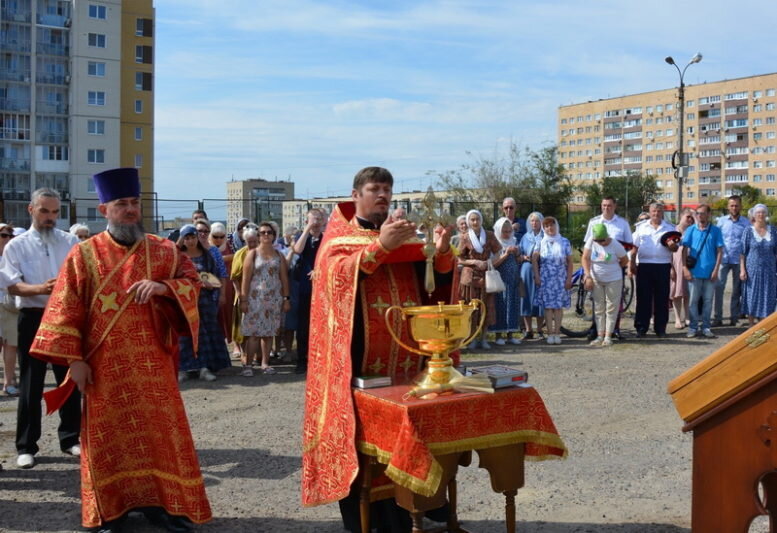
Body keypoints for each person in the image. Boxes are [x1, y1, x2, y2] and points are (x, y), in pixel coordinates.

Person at [29, 168, 211, 532]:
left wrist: (164, 289)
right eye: (121, 204)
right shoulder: (84, 255)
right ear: (103, 210)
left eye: (134, 202)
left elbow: (196, 282)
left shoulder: (163, 250)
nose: (130, 210)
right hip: (105, 368)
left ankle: (165, 504)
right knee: (108, 440)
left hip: (153, 367)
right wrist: (74, 361)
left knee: (161, 436)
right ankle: (111, 511)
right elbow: (65, 309)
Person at [301, 166, 455, 530]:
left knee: (405, 443)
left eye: (388, 189)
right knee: (366, 452)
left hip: (404, 365)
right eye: (375, 189)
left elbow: (432, 286)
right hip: (359, 370)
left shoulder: (406, 236)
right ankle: (366, 522)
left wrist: (442, 253)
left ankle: (412, 511)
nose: (383, 195)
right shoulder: (337, 238)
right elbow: (334, 279)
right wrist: (380, 247)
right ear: (356, 195)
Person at [0, 189, 80, 469]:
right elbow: (11, 284)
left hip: (65, 317)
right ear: (30, 210)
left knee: (67, 379)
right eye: (45, 211)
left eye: (56, 212)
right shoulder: (16, 246)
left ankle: (70, 438)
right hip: (33, 316)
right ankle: (26, 445)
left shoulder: (70, 242)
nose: (50, 218)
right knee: (31, 383)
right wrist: (41, 288)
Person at [177, 224, 231, 382]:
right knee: (186, 335)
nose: (191, 241)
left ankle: (205, 368)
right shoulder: (179, 257)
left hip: (205, 301)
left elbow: (215, 277)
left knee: (205, 334)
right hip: (185, 302)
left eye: (193, 237)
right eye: (187, 238)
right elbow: (173, 276)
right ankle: (183, 369)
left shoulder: (207, 255)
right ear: (183, 240)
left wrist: (211, 286)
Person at [239, 222, 291, 375]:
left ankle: (265, 364)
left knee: (268, 334)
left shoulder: (279, 255)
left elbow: (284, 278)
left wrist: (286, 298)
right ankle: (248, 365)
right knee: (253, 334)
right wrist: (243, 300)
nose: (266, 235)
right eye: (262, 232)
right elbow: (245, 279)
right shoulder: (252, 254)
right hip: (255, 300)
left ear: (274, 235)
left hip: (274, 300)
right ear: (258, 236)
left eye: (269, 232)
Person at [629, 202, 676, 338]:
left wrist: (672, 245)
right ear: (649, 212)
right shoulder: (641, 227)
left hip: (663, 265)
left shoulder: (669, 228)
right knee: (643, 298)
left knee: (662, 298)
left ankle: (660, 329)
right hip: (644, 265)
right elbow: (634, 248)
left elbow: (676, 249)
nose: (656, 214)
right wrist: (632, 264)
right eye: (654, 211)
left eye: (659, 211)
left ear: (663, 212)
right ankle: (641, 328)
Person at [457, 209, 501, 349]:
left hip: (486, 275)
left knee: (486, 307)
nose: (475, 222)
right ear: (469, 221)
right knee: (471, 308)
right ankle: (471, 338)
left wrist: (489, 262)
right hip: (470, 277)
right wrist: (474, 262)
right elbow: (459, 258)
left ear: (481, 220)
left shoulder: (489, 235)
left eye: (477, 219)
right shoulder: (464, 237)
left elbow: (498, 252)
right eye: (472, 219)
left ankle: (484, 338)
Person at [682, 204, 724, 338]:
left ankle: (706, 326)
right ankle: (693, 327)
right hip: (694, 272)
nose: (700, 216)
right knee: (693, 301)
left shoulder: (715, 231)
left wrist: (716, 269)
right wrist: (684, 268)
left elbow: (719, 251)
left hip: (710, 273)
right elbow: (684, 250)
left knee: (707, 301)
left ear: (709, 214)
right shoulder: (690, 230)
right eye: (698, 213)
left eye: (703, 213)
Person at [583, 223, 628, 347]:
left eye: (602, 240)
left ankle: (608, 336)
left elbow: (624, 260)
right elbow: (585, 258)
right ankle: (599, 335)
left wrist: (613, 269)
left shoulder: (615, 245)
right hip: (596, 279)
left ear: (607, 237)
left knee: (611, 308)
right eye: (597, 241)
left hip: (614, 279)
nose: (600, 243)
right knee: (598, 308)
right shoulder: (592, 242)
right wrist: (588, 276)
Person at [291, 208, 324, 373]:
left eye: (319, 219)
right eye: (313, 219)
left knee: (322, 325)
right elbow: (297, 250)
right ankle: (301, 360)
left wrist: (320, 269)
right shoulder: (302, 237)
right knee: (303, 325)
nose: (316, 223)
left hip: (323, 287)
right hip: (305, 287)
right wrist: (307, 230)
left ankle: (319, 359)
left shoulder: (327, 239)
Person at [532, 216, 573, 345]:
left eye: (552, 225)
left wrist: (569, 279)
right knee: (548, 308)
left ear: (556, 226)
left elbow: (570, 262)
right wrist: (537, 276)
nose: (550, 228)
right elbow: (534, 259)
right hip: (546, 279)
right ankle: (550, 334)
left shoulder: (564, 241)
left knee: (558, 308)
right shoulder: (540, 242)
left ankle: (557, 333)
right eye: (547, 226)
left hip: (560, 278)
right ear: (544, 228)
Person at [713, 195, 750, 327]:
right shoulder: (721, 221)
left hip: (739, 260)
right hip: (723, 259)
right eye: (732, 205)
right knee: (719, 288)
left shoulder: (746, 223)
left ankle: (734, 317)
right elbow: (716, 240)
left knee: (736, 290)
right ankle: (718, 317)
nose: (734, 207)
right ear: (728, 207)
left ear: (740, 206)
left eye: (736, 205)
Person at [740, 204, 777, 326]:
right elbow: (742, 252)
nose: (760, 215)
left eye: (763, 212)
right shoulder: (748, 231)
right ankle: (751, 325)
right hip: (752, 270)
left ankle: (764, 324)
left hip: (769, 270)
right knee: (752, 296)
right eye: (758, 213)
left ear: (766, 214)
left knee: (768, 296)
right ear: (754, 215)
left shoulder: (773, 230)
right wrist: (742, 270)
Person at [229, 226, 259, 371]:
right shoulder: (240, 254)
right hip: (243, 294)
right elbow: (234, 277)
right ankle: (244, 353)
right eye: (249, 241)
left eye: (254, 241)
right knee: (242, 328)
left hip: (260, 296)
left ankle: (257, 355)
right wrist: (240, 294)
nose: (252, 244)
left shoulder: (263, 253)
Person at [489, 217, 522, 345]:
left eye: (509, 231)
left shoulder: (514, 241)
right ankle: (498, 335)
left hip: (512, 279)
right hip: (500, 279)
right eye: (504, 231)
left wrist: (518, 253)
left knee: (512, 305)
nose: (507, 234)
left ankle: (511, 334)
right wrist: (506, 254)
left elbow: (519, 260)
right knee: (500, 305)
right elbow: (494, 263)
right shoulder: (495, 243)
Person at [519, 212, 545, 339]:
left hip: (541, 269)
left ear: (541, 222)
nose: (534, 223)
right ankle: (528, 330)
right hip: (527, 270)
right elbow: (519, 253)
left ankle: (540, 329)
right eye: (532, 221)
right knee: (526, 298)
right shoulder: (525, 237)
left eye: (536, 221)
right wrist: (523, 257)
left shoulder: (546, 236)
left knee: (540, 299)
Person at [0, 223, 19, 396]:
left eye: (9, 236)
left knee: (11, 346)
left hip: (10, 305)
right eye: (4, 235)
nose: (7, 239)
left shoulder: (12, 256)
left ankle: (8, 383)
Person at [210, 221, 235, 346]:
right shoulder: (206, 248)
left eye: (221, 236)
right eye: (215, 236)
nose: (219, 239)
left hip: (227, 284)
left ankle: (231, 341)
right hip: (211, 284)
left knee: (228, 312)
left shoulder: (229, 246)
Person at [670, 208, 696, 329]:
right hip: (676, 263)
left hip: (690, 264)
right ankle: (677, 318)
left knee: (687, 292)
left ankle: (687, 317)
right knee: (677, 293)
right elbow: (667, 251)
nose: (690, 219)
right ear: (681, 216)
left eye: (692, 217)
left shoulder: (694, 230)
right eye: (688, 217)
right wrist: (671, 268)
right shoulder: (672, 230)